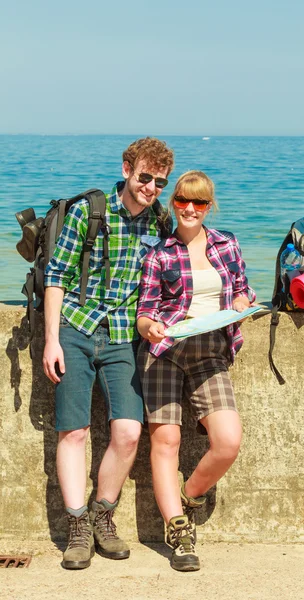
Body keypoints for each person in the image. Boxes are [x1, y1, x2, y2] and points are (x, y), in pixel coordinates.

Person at [42, 137, 175, 570]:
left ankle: (103, 514)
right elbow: (56, 275)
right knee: (74, 432)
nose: (151, 187)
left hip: (123, 338)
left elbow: (170, 280)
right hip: (76, 330)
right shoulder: (89, 212)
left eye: (159, 181)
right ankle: (77, 526)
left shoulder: (160, 222)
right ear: (126, 169)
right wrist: (51, 340)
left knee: (129, 433)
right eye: (144, 177)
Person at [136, 170, 256, 572]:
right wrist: (149, 328)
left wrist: (242, 300)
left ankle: (189, 495)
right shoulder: (159, 253)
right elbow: (144, 313)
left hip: (211, 352)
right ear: (173, 203)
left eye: (199, 203)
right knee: (166, 440)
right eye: (183, 201)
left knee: (228, 441)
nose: (190, 209)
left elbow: (243, 288)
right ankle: (178, 529)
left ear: (209, 206)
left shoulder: (227, 244)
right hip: (166, 350)